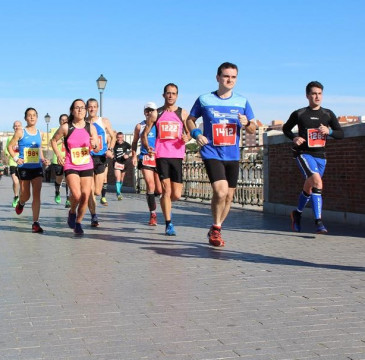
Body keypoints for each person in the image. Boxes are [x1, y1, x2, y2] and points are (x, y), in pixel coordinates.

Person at [186, 62, 257, 247]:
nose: (230, 80)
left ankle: (215, 227)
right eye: (226, 76)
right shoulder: (204, 99)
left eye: (233, 77)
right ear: (218, 77)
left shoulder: (242, 101)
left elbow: (252, 129)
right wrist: (197, 134)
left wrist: (247, 122)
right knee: (220, 190)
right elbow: (190, 120)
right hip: (211, 151)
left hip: (232, 154)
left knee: (229, 197)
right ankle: (216, 228)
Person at [282, 81, 344, 234]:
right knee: (317, 181)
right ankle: (319, 222)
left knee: (310, 186)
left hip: (320, 156)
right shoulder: (300, 113)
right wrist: (294, 138)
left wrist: (328, 132)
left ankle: (297, 213)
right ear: (307, 95)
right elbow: (285, 128)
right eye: (314, 93)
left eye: (320, 93)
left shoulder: (328, 114)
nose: (317, 96)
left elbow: (340, 134)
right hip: (303, 153)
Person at [141, 84, 189, 236]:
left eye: (173, 93)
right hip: (161, 156)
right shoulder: (156, 113)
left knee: (176, 195)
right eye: (168, 93)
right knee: (166, 190)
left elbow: (190, 132)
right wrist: (148, 147)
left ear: (177, 96)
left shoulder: (183, 113)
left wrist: (187, 137)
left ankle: (166, 204)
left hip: (177, 155)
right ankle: (169, 223)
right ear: (163, 95)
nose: (170, 96)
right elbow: (145, 134)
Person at [51, 99, 100, 235]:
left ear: (85, 110)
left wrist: (94, 144)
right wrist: (59, 155)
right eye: (77, 108)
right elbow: (53, 140)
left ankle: (78, 222)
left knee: (85, 195)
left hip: (86, 164)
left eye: (82, 108)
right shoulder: (66, 127)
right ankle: (72, 211)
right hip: (71, 164)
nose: (80, 110)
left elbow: (96, 148)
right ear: (72, 110)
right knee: (77, 195)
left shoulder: (91, 127)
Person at [7, 108, 49, 233]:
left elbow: (39, 149)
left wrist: (43, 160)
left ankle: (35, 223)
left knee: (37, 195)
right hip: (24, 167)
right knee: (26, 195)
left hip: (36, 168)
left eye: (34, 115)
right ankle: (21, 202)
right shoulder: (20, 132)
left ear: (37, 117)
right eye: (29, 115)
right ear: (25, 118)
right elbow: (10, 146)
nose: (32, 117)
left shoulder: (40, 133)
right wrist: (15, 158)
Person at [86, 98, 116, 226]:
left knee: (97, 191)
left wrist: (110, 149)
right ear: (87, 108)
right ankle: (94, 216)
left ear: (97, 108)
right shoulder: (82, 123)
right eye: (90, 107)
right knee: (89, 189)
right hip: (86, 158)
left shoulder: (104, 121)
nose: (92, 109)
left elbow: (113, 135)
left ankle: (91, 201)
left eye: (94, 106)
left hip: (101, 157)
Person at [132, 102, 162, 225]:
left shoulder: (159, 125)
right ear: (145, 112)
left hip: (158, 158)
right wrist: (134, 155)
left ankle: (162, 207)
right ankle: (153, 214)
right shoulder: (140, 126)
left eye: (152, 110)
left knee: (159, 189)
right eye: (148, 110)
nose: (150, 112)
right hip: (145, 157)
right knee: (150, 185)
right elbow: (134, 142)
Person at [51, 114, 71, 208]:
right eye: (62, 120)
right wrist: (62, 139)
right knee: (59, 178)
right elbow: (52, 142)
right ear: (59, 121)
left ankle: (68, 199)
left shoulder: (70, 129)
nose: (64, 121)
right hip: (58, 159)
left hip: (69, 159)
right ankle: (57, 191)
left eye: (66, 120)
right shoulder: (55, 130)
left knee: (68, 180)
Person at [5, 120, 22, 207]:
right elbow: (7, 150)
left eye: (18, 125)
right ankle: (16, 196)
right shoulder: (9, 138)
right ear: (13, 127)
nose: (17, 127)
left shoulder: (23, 138)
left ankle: (20, 198)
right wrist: (9, 155)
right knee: (16, 182)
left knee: (22, 183)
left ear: (21, 127)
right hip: (13, 162)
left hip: (23, 163)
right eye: (15, 126)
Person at [113, 132, 131, 200]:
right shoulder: (114, 144)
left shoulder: (126, 144)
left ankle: (119, 191)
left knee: (121, 179)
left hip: (124, 163)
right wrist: (112, 154)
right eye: (118, 137)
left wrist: (127, 155)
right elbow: (110, 149)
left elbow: (132, 150)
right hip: (116, 163)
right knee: (118, 177)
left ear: (123, 137)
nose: (119, 139)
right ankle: (118, 193)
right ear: (116, 138)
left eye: (121, 137)